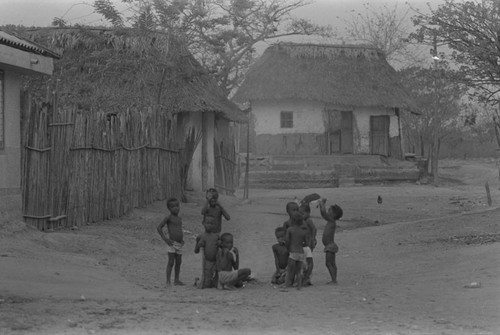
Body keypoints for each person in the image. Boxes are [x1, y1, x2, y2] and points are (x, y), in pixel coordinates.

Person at [156, 197, 185, 286]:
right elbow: (159, 227)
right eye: (173, 207)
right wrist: (165, 239)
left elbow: (178, 229)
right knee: (171, 262)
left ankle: (176, 280)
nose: (176, 208)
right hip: (171, 244)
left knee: (179, 262)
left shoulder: (179, 218)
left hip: (179, 244)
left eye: (177, 206)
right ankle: (168, 281)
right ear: (169, 208)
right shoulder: (168, 218)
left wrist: (182, 240)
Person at [319, 198, 343, 285]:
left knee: (328, 263)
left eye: (329, 210)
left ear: (333, 214)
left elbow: (323, 213)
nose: (328, 211)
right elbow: (324, 214)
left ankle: (334, 280)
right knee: (332, 263)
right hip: (330, 246)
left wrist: (322, 204)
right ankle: (334, 278)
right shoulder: (331, 222)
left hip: (330, 246)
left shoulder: (331, 221)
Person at [285, 211, 310, 290]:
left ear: (292, 220)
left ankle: (287, 285)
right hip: (301, 253)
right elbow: (306, 243)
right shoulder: (303, 231)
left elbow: (287, 241)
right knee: (298, 271)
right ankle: (299, 286)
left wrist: (288, 248)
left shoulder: (290, 230)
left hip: (293, 252)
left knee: (289, 271)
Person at [194, 216, 220, 288]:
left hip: (216, 261)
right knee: (206, 284)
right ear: (203, 223)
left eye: (212, 223)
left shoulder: (216, 236)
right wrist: (198, 246)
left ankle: (214, 281)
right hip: (207, 262)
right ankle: (197, 281)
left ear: (214, 225)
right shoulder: (201, 236)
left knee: (216, 283)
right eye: (208, 223)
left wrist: (220, 243)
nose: (209, 225)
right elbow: (196, 251)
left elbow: (221, 247)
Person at [299, 203, 317, 286]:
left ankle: (307, 278)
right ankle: (305, 277)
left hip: (309, 243)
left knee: (307, 261)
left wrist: (313, 238)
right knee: (305, 261)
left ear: (308, 213)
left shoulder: (309, 220)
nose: (301, 215)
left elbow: (314, 229)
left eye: (303, 214)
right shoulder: (304, 221)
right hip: (306, 243)